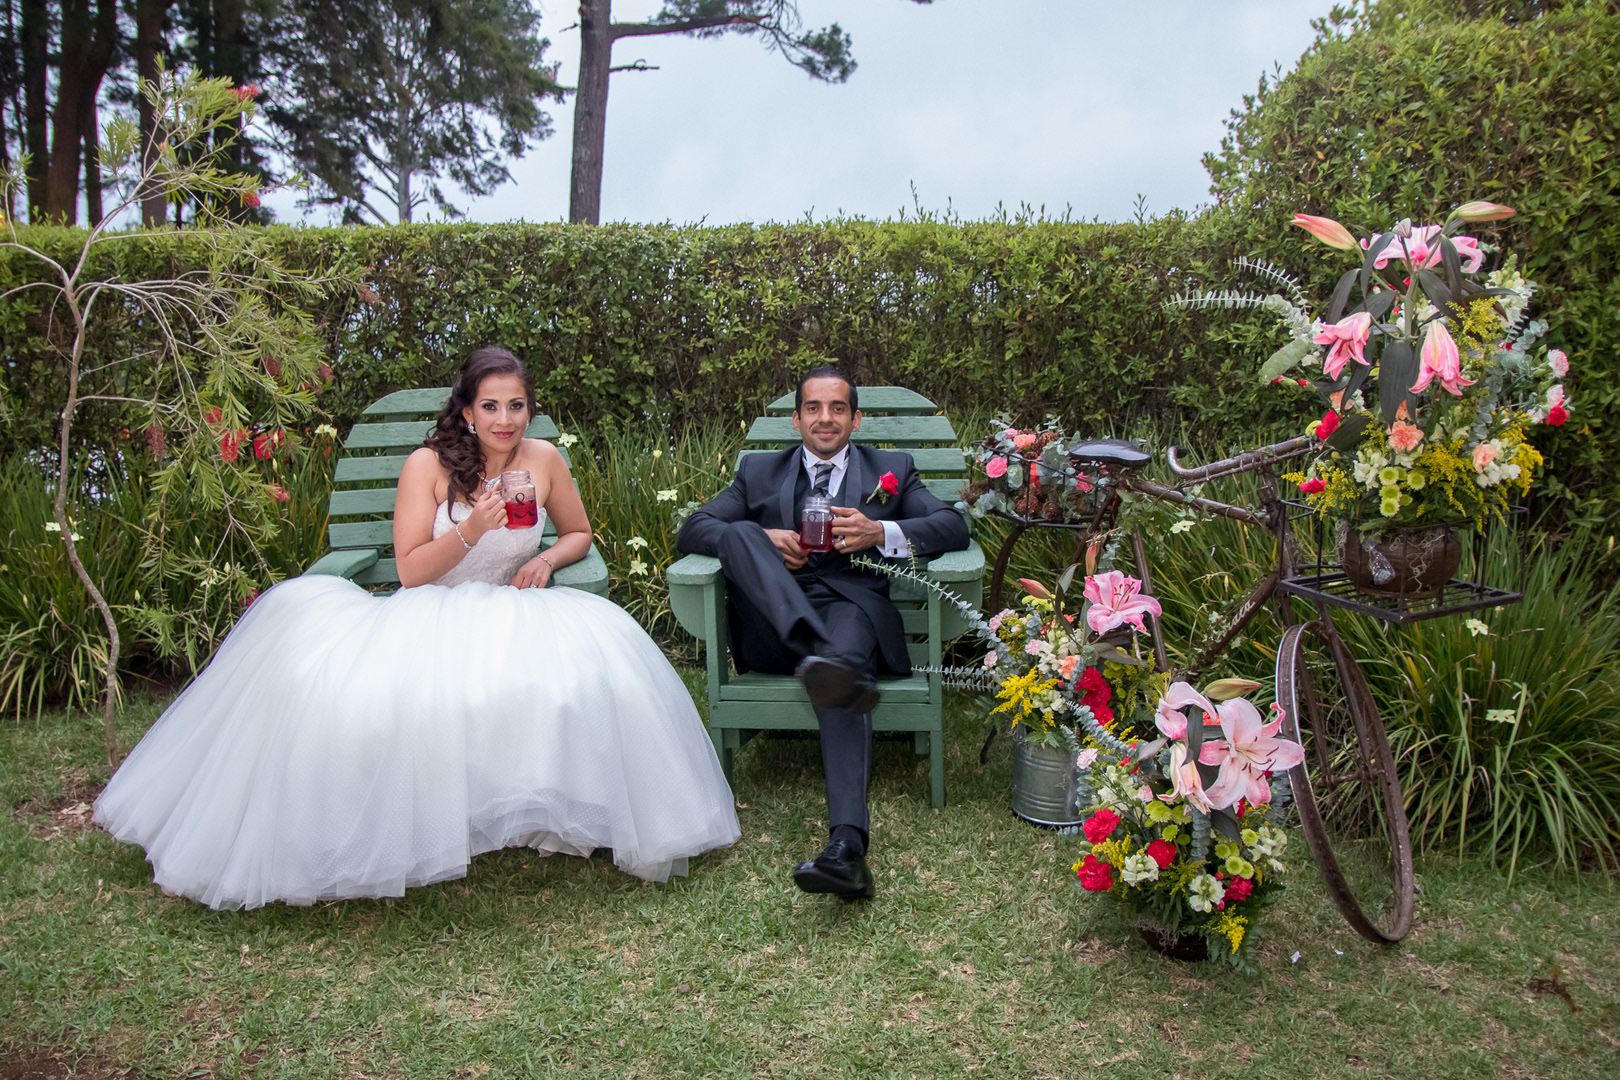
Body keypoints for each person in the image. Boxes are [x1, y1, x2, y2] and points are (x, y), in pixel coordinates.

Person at [94, 347, 740, 910]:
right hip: (431, 610)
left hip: (516, 609)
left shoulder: (542, 460)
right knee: (379, 701)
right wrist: (473, 528)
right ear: (466, 412)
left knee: (597, 672)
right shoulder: (427, 466)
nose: (505, 421)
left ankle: (549, 812)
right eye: (491, 407)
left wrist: (544, 556)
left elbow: (578, 532)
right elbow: (410, 573)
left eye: (517, 406)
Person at [676, 367, 970, 899]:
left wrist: (880, 530)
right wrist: (764, 540)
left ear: (855, 419)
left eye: (837, 408)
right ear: (796, 419)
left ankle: (847, 851)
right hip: (773, 624)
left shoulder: (893, 471)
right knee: (739, 532)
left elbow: (952, 526)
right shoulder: (759, 472)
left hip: (849, 613)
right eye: (813, 407)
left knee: (837, 670)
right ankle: (818, 649)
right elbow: (693, 529)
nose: (825, 418)